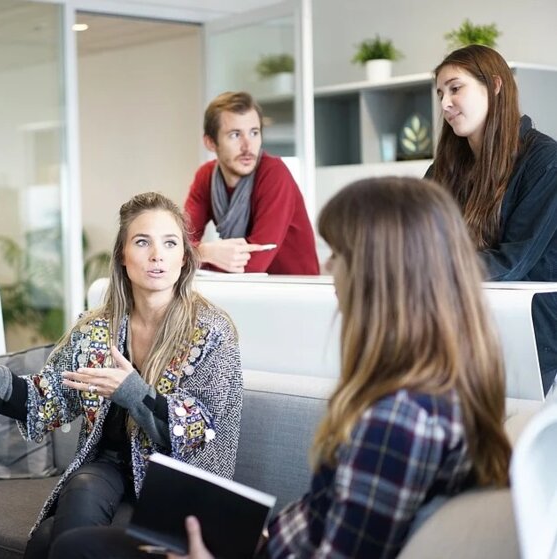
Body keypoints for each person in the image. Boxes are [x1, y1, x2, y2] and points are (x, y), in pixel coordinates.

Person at [171, 177, 512, 558]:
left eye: (339, 254)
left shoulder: (398, 420)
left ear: (377, 275)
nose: (329, 268)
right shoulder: (438, 390)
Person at [0, 192, 243, 558]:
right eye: (142, 242)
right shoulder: (96, 328)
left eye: (170, 243)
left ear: (184, 258)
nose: (157, 254)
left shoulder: (211, 331)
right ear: (123, 257)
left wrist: (132, 391)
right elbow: (44, 400)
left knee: (50, 538)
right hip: (109, 467)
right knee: (81, 488)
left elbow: (197, 430)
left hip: (179, 480)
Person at [429, 44, 557, 395]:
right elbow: (416, 239)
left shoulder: (545, 161)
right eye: (441, 93)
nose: (444, 104)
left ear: (495, 86)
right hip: (459, 326)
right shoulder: (443, 170)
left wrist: (428, 268)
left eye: (456, 88)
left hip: (529, 335)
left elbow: (512, 262)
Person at [184, 91, 319, 275]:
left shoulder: (274, 173)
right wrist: (205, 252)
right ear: (210, 143)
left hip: (294, 292)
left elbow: (253, 264)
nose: (248, 146)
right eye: (235, 135)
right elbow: (178, 245)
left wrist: (196, 256)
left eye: (254, 133)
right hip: (245, 290)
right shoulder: (206, 176)